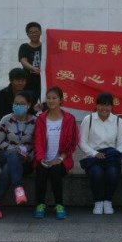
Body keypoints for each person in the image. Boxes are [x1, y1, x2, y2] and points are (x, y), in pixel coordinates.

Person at [32, 86, 79, 219]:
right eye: (48, 98)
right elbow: (37, 141)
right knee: (41, 172)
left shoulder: (69, 119)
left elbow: (72, 142)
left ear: (61, 100)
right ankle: (40, 204)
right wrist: (41, 158)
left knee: (55, 171)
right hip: (43, 159)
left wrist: (60, 158)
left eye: (54, 98)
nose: (51, 101)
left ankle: (59, 205)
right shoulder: (41, 119)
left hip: (62, 159)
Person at [0, 90, 36, 219]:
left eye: (22, 104)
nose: (18, 106)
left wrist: (29, 156)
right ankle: (18, 187)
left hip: (26, 161)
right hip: (6, 156)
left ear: (28, 105)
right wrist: (15, 150)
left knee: (7, 169)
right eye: (16, 103)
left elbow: (39, 144)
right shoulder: (6, 120)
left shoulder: (36, 121)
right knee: (12, 154)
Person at [79, 92, 122, 215]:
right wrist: (94, 153)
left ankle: (108, 200)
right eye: (101, 104)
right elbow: (82, 142)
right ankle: (98, 201)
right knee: (97, 173)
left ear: (111, 106)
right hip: (93, 157)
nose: (104, 108)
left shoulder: (118, 121)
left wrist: (113, 154)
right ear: (96, 105)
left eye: (107, 105)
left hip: (111, 156)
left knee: (112, 173)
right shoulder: (88, 119)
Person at [0, 68, 28, 145]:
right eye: (17, 80)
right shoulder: (1, 95)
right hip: (2, 132)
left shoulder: (28, 95)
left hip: (22, 132)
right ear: (11, 80)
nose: (20, 83)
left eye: (23, 80)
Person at [19, 22, 43, 104]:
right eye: (31, 32)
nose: (34, 34)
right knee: (29, 103)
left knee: (46, 104)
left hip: (43, 82)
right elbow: (23, 61)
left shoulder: (45, 46)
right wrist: (33, 68)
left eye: (36, 32)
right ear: (27, 34)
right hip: (29, 81)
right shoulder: (24, 47)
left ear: (40, 32)